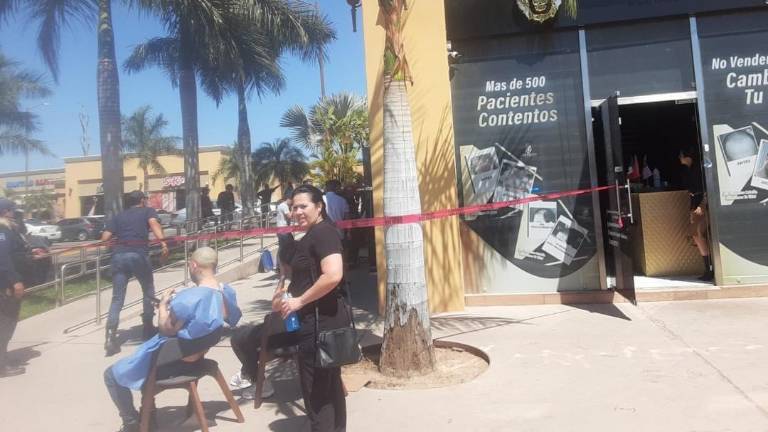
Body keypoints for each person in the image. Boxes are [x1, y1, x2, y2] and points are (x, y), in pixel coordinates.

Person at [103, 247, 242, 432]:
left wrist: (162, 306)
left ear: (193, 266)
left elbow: (166, 329)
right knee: (155, 359)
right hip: (197, 358)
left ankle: (131, 423)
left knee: (111, 375)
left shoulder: (188, 298)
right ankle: (148, 416)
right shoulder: (226, 293)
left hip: (171, 363)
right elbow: (226, 318)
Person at [280, 184, 348, 432]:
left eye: (303, 206)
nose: (297, 211)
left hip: (319, 324)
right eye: (293, 207)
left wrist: (299, 301)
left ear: (319, 207)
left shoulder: (322, 233)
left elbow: (332, 275)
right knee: (328, 387)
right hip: (319, 321)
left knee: (317, 392)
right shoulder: (313, 234)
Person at [101, 190, 169, 356]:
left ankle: (110, 336)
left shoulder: (118, 216)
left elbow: (105, 237)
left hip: (119, 256)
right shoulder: (148, 211)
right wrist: (163, 243)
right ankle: (147, 326)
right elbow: (154, 225)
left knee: (117, 297)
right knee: (148, 290)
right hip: (138, 254)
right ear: (142, 201)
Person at [0, 199, 27, 377]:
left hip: (6, 282)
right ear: (7, 212)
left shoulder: (9, 229)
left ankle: (3, 359)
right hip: (5, 285)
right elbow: (2, 258)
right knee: (6, 323)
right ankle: (2, 366)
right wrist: (15, 281)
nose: (16, 215)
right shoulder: (2, 230)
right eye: (14, 212)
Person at [679, 149, 713, 281]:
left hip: (701, 205)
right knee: (697, 236)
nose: (680, 160)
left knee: (699, 234)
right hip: (694, 203)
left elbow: (707, 188)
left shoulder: (700, 170)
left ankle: (710, 268)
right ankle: (707, 268)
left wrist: (702, 205)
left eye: (682, 157)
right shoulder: (688, 170)